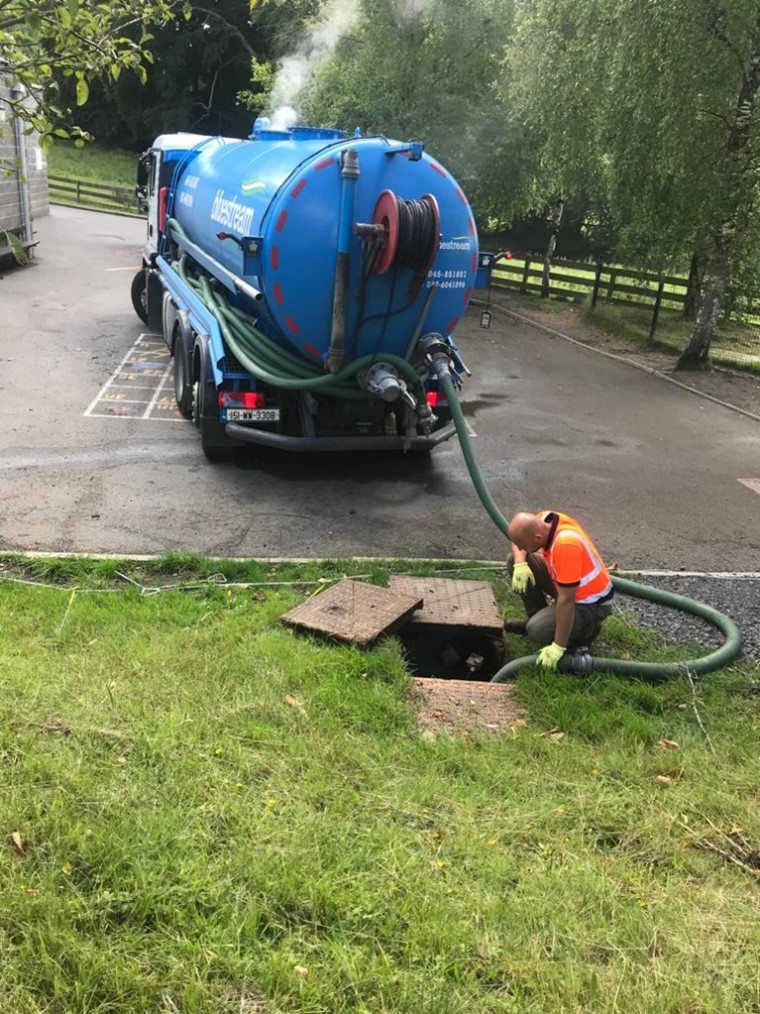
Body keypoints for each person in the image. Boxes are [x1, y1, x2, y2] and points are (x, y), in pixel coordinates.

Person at [505, 509, 614, 670]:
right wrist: (520, 563)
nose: (522, 548)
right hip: (568, 584)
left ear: (537, 538)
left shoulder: (566, 546)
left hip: (590, 603)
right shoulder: (543, 520)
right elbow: (518, 539)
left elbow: (566, 601)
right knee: (513, 560)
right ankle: (538, 616)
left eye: (525, 545)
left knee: (537, 630)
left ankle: (583, 633)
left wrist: (558, 646)